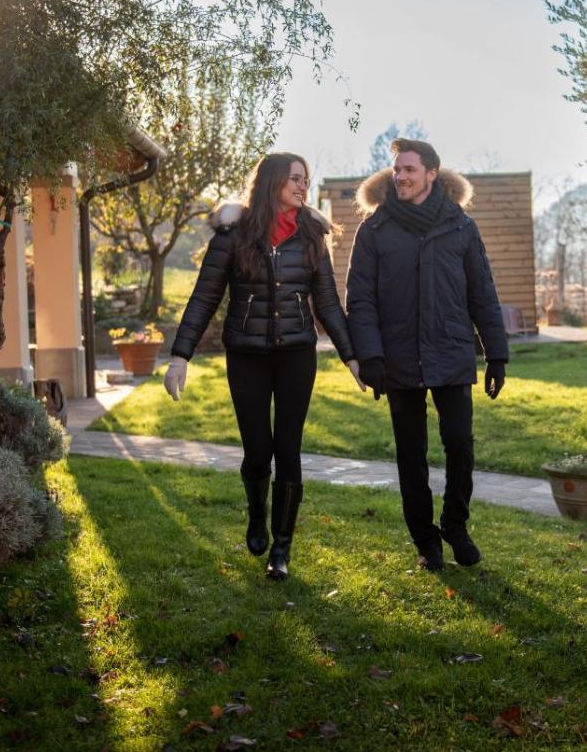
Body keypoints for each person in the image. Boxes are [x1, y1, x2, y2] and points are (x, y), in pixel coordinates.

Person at [164, 152, 364, 580]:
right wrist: (180, 356)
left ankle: (281, 548)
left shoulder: (312, 235)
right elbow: (204, 297)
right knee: (257, 452)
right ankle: (257, 515)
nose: (303, 186)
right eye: (295, 178)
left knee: (288, 450)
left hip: (296, 355)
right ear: (272, 181)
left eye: (306, 179)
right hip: (247, 356)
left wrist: (351, 356)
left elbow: (327, 302)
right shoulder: (233, 235)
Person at [346, 138, 509, 570]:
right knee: (410, 454)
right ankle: (426, 542)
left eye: (409, 170)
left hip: (451, 351)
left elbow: (483, 294)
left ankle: (455, 526)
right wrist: (371, 356)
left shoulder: (461, 227)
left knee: (460, 445)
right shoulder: (374, 230)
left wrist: (496, 354)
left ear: (431, 174)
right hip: (397, 357)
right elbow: (360, 299)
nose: (400, 176)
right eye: (397, 169)